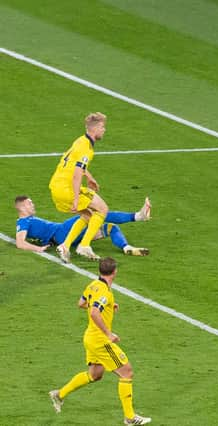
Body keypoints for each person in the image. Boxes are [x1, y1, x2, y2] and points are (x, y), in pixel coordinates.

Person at [49, 257, 152, 425]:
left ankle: (59, 394)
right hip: (100, 340)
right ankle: (130, 417)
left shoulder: (93, 285)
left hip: (90, 337)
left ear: (100, 271)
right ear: (115, 271)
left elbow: (81, 303)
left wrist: (110, 306)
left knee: (95, 375)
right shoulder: (104, 291)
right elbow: (94, 312)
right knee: (127, 372)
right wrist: (108, 333)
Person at [49, 112, 110, 262]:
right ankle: (84, 246)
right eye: (102, 127)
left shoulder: (80, 141)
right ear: (94, 129)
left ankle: (65, 246)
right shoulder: (87, 149)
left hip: (56, 187)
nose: (104, 130)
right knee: (102, 209)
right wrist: (76, 198)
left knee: (88, 215)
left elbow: (71, 162)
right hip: (67, 189)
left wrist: (89, 177)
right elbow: (76, 175)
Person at [14, 196, 151, 256]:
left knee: (111, 228)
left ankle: (126, 247)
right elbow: (20, 243)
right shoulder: (23, 222)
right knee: (97, 212)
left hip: (67, 236)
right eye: (30, 203)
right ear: (23, 206)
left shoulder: (28, 220)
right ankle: (138, 216)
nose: (33, 205)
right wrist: (38, 249)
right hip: (61, 232)